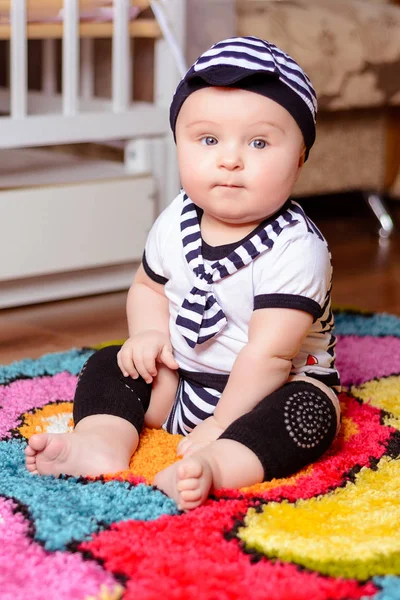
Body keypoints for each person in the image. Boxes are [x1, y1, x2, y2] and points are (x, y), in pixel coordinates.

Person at [25, 36, 341, 511]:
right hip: (183, 382)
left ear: (299, 156)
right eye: (208, 140)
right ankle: (100, 440)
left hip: (267, 390)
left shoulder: (297, 248)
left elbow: (269, 355)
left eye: (258, 142)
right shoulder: (176, 219)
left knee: (311, 414)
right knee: (111, 362)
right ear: (179, 143)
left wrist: (219, 428)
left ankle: (218, 465)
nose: (229, 159)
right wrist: (149, 336)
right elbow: (148, 286)